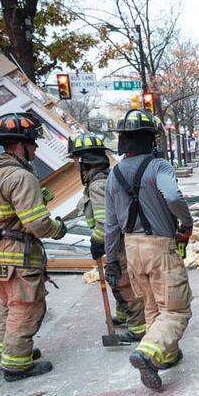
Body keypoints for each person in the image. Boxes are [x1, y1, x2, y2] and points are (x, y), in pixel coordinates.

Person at [103, 109, 194, 391]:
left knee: (153, 307)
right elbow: (173, 196)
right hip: (159, 247)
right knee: (177, 310)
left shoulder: (112, 175)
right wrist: (186, 221)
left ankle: (164, 355)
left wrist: (111, 260)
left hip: (131, 250)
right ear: (151, 140)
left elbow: (110, 226)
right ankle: (148, 353)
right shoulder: (159, 167)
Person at [0, 112, 68, 381]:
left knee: (7, 304)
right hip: (16, 256)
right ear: (21, 144)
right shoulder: (19, 176)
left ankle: (11, 351)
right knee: (26, 307)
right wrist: (58, 229)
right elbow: (37, 224)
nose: (36, 148)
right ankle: (17, 365)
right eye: (34, 142)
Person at [67, 132, 146, 342]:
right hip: (118, 243)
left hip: (117, 245)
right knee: (117, 280)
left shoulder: (98, 185)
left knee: (125, 284)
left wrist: (97, 241)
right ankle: (124, 315)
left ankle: (139, 329)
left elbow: (106, 222)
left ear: (85, 162)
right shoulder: (103, 180)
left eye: (77, 161)